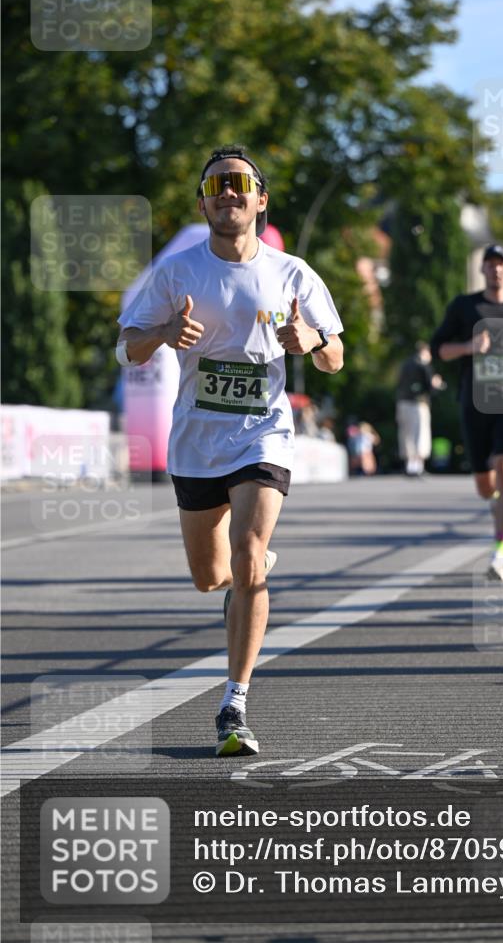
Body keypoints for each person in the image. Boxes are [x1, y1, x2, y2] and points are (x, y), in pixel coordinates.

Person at [115, 145, 344, 756]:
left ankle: (233, 704)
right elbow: (127, 347)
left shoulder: (292, 273)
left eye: (240, 183)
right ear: (203, 201)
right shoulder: (178, 272)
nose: (228, 192)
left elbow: (335, 356)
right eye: (215, 184)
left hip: (262, 434)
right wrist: (163, 334)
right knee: (209, 577)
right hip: (195, 442)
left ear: (261, 200)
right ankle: (254, 571)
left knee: (245, 556)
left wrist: (311, 338)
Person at [431, 244, 503, 581]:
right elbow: (438, 349)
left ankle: (500, 553)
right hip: (474, 402)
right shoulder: (465, 306)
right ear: (482, 270)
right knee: (486, 486)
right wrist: (470, 346)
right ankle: (494, 501)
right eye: (491, 264)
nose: (497, 269)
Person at [396, 341, 445, 476]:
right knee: (420, 434)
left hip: (402, 402)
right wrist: (436, 384)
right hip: (418, 404)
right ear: (425, 352)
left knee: (406, 434)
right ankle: (417, 466)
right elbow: (430, 387)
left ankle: (409, 465)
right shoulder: (423, 365)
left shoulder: (405, 364)